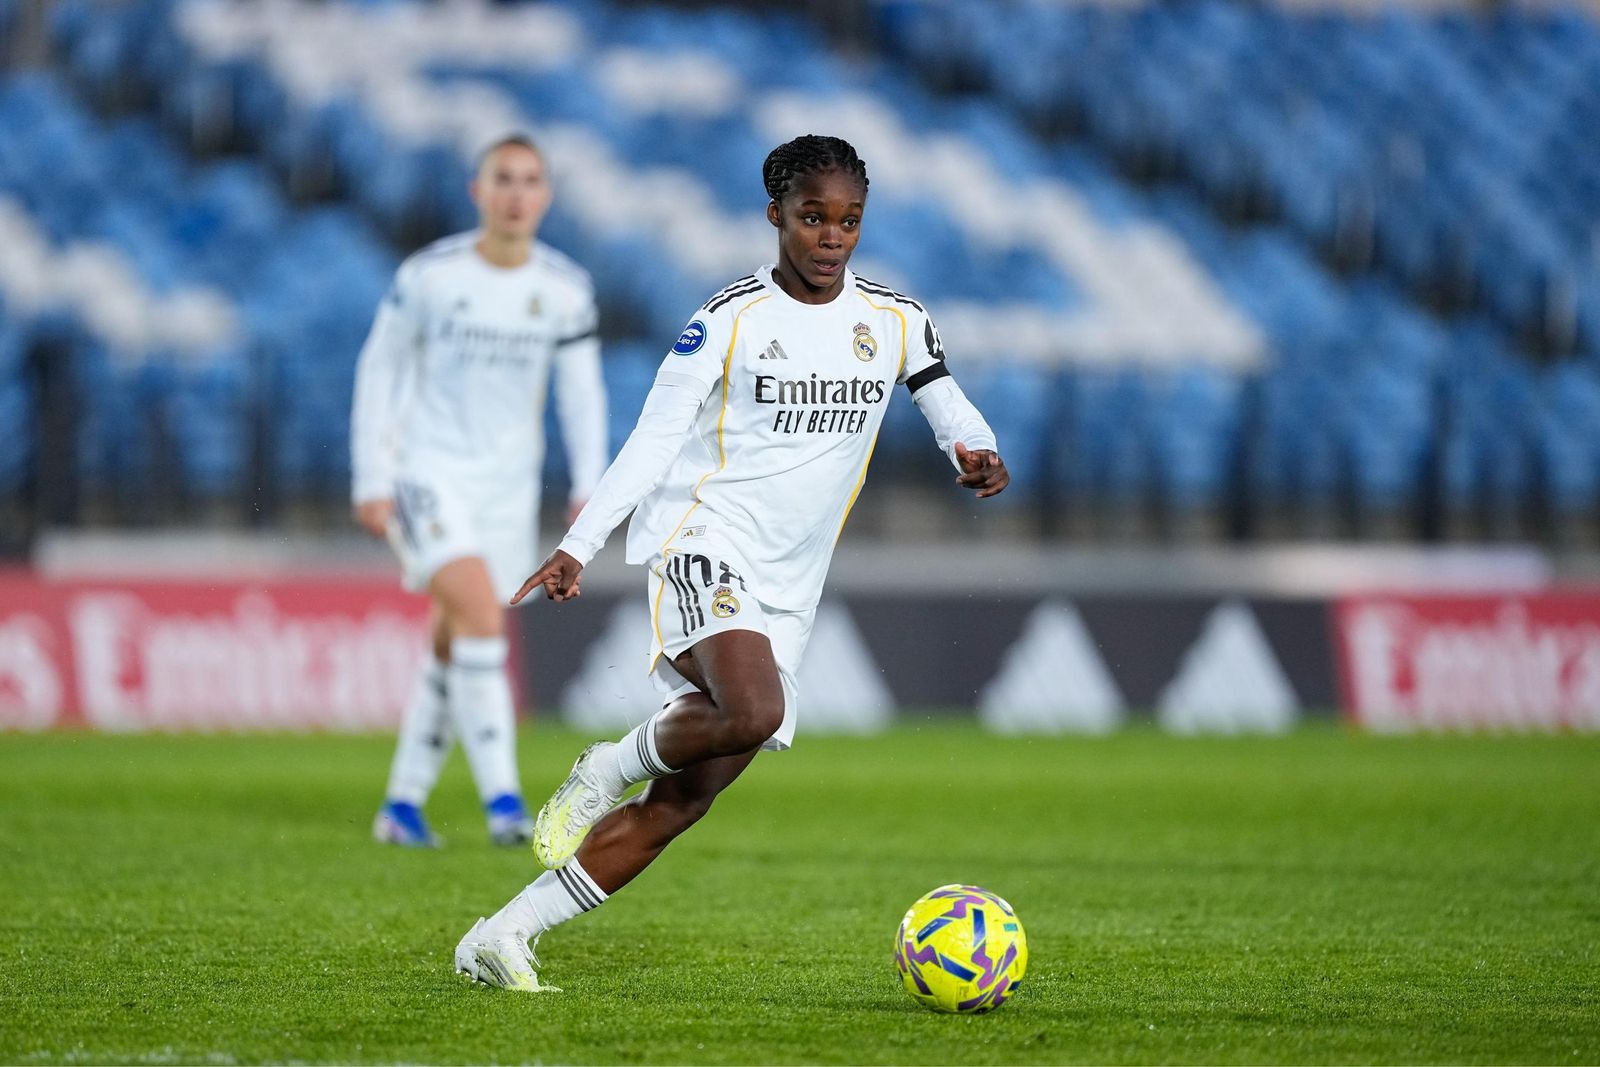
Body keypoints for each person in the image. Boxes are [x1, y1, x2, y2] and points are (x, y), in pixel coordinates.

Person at [453, 134, 1007, 989]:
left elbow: (945, 400)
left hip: (791, 583)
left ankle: (503, 932)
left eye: (849, 220)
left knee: (685, 800)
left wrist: (976, 447)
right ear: (775, 215)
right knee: (752, 708)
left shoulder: (894, 319)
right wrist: (578, 545)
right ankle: (604, 765)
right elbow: (654, 439)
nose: (831, 237)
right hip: (704, 540)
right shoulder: (729, 318)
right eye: (813, 217)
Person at [350, 134, 607, 849]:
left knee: (454, 634)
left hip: (506, 488)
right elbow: (381, 367)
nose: (517, 193)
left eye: (531, 180)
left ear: (546, 196)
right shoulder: (429, 276)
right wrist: (372, 475)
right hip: (426, 471)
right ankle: (505, 802)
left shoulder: (563, 288)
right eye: (504, 179)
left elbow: (581, 395)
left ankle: (401, 806)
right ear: (478, 191)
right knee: (482, 621)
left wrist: (590, 483)